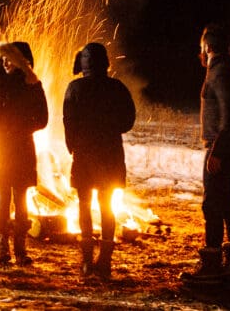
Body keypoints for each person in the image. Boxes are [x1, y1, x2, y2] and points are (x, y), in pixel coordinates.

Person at [181, 24, 230, 284]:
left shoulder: (219, 73)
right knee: (228, 204)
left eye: (201, 48)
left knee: (212, 205)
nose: (200, 53)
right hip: (229, 147)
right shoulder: (225, 71)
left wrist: (217, 151)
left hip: (221, 148)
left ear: (208, 48)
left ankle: (211, 266)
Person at [62, 41, 136, 280]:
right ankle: (104, 262)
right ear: (105, 63)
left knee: (84, 204)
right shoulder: (117, 88)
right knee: (106, 206)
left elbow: (68, 122)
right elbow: (128, 121)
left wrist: (73, 146)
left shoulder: (75, 88)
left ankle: (85, 261)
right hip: (110, 155)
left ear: (83, 63)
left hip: (83, 156)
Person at [0, 40, 48, 267]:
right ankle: (2, 249)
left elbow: (42, 120)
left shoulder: (33, 85)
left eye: (11, 59)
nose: (6, 64)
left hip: (21, 147)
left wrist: (19, 125)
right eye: (3, 60)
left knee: (20, 200)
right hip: (1, 147)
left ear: (21, 61)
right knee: (2, 199)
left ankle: (21, 249)